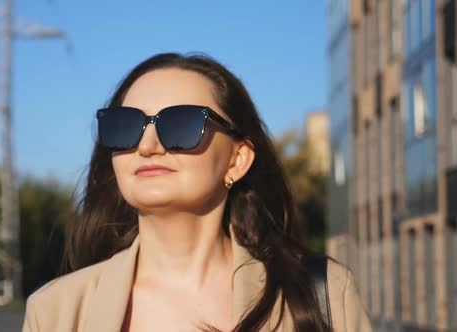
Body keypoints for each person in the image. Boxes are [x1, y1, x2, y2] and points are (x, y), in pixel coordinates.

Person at [22, 53, 372, 332]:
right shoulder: (55, 311)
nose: (147, 145)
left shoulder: (319, 294)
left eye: (182, 124)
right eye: (125, 125)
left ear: (238, 159)